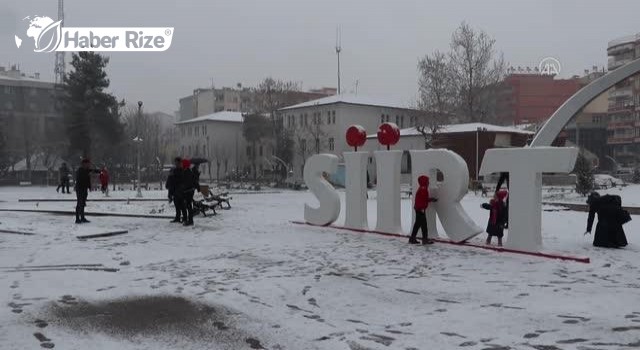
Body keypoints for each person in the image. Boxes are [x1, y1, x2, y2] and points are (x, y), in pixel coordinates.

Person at [409, 175, 437, 245]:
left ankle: (412, 238)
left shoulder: (421, 188)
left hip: (418, 209)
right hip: (420, 209)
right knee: (424, 225)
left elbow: (423, 199)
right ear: (424, 182)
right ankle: (425, 240)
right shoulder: (423, 189)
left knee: (417, 224)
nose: (428, 182)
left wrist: (431, 199)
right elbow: (422, 200)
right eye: (427, 181)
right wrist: (422, 208)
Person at [75, 159, 99, 224]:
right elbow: (81, 178)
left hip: (84, 189)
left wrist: (99, 170)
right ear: (83, 164)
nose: (88, 165)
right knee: (79, 203)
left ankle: (82, 217)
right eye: (87, 164)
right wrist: (88, 174)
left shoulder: (87, 170)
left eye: (89, 164)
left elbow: (95, 171)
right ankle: (77, 219)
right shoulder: (80, 170)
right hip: (80, 189)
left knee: (83, 203)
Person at [181, 158, 198, 226]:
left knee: (188, 206)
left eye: (183, 164)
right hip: (189, 191)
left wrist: (183, 188)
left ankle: (190, 221)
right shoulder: (189, 171)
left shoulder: (187, 172)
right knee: (188, 206)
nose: (182, 165)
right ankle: (188, 219)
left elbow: (187, 183)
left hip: (187, 192)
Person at [166, 157, 184, 223]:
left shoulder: (181, 170)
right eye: (175, 162)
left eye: (177, 162)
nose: (176, 164)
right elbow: (171, 181)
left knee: (182, 206)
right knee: (177, 206)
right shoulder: (174, 170)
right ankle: (177, 218)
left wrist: (173, 177)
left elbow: (180, 180)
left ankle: (184, 218)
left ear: (179, 163)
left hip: (180, 191)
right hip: (175, 190)